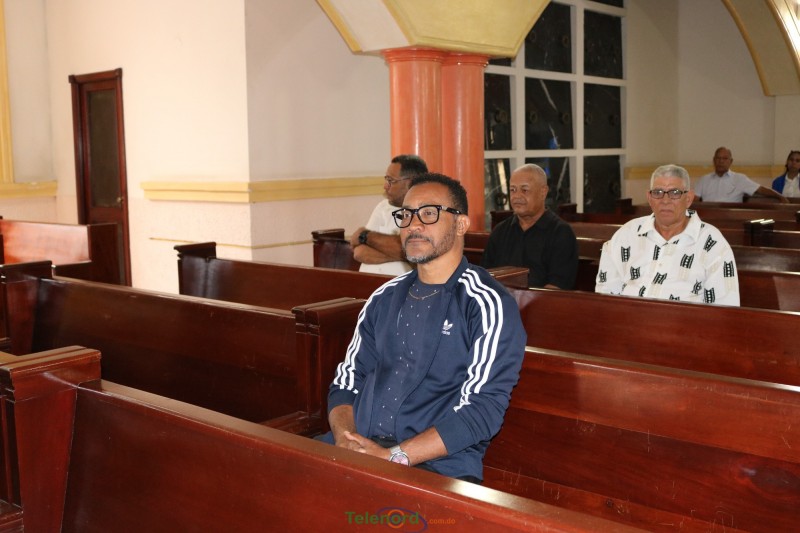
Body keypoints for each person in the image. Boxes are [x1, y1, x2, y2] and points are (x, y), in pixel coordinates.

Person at [320, 173, 526, 483]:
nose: (413, 225)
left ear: (461, 224)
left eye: (429, 213)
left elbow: (482, 410)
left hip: (436, 468)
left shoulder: (485, 303)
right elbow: (348, 380)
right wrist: (346, 440)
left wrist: (393, 457)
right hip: (358, 449)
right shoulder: (384, 297)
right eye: (406, 214)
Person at [595, 164, 739, 305]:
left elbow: (725, 307)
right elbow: (606, 297)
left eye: (674, 193)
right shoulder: (627, 234)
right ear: (649, 198)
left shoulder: (712, 242)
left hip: (685, 321)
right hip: (628, 319)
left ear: (688, 198)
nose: (665, 200)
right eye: (657, 192)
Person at [481, 163, 578, 289]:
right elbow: (484, 277)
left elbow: (557, 286)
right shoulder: (500, 231)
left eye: (524, 190)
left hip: (542, 301)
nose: (517, 196)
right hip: (500, 299)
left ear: (543, 192)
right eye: (513, 190)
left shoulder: (561, 233)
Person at [350, 154, 428, 275]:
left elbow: (415, 250)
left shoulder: (427, 211)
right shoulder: (383, 207)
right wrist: (402, 254)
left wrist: (365, 235)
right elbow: (359, 252)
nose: (385, 186)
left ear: (411, 182)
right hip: (369, 282)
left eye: (391, 181)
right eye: (386, 180)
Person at [694, 147, 788, 203]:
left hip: (731, 217)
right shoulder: (704, 179)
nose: (721, 161)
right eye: (718, 158)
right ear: (714, 160)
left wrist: (781, 197)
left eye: (725, 158)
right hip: (707, 217)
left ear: (731, 161)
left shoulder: (739, 179)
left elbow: (761, 189)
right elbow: (694, 200)